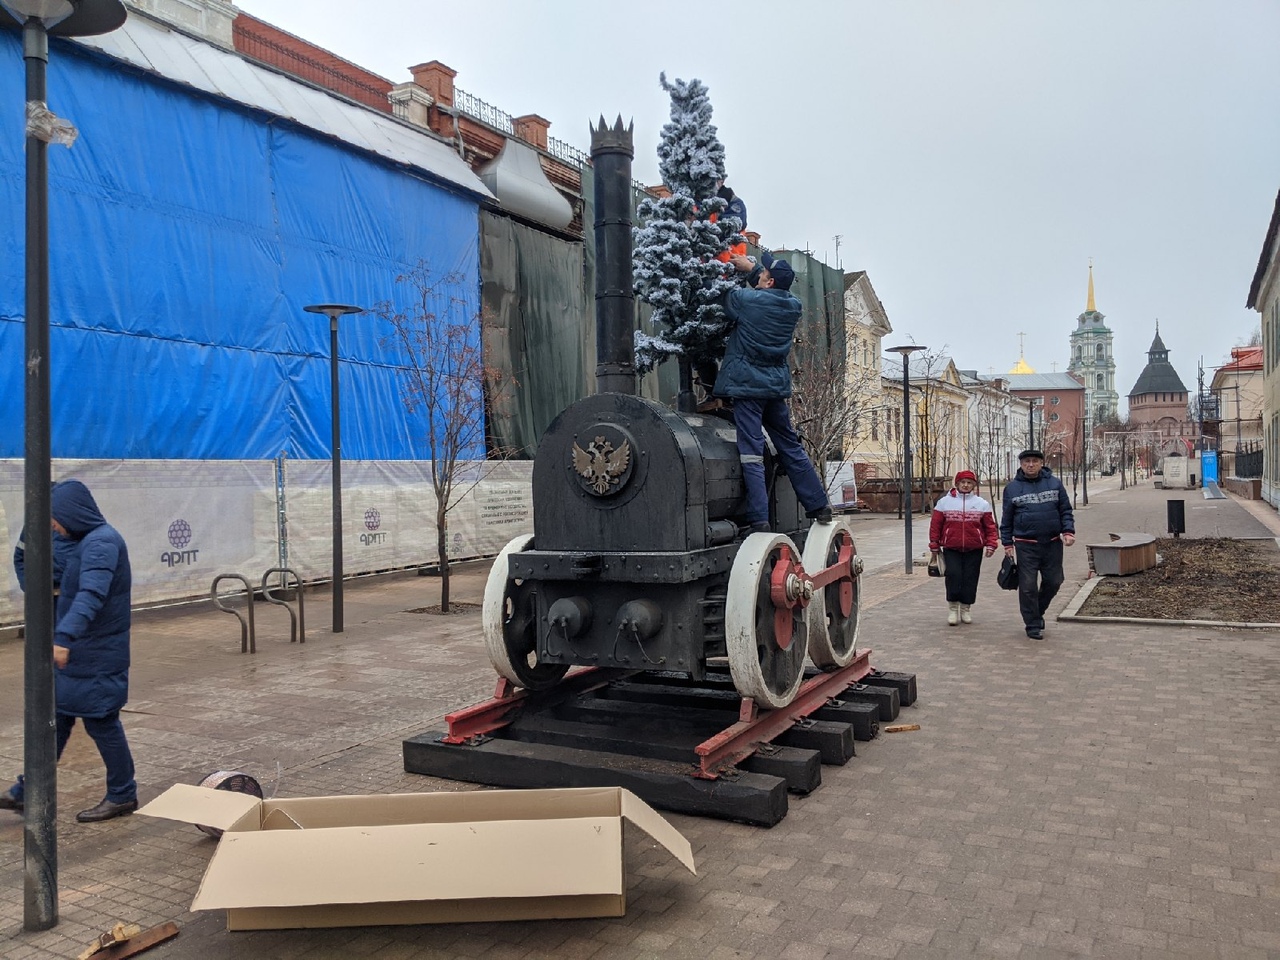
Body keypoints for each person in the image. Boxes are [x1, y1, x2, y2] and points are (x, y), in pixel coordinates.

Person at [0, 479, 137, 822]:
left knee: (103, 724)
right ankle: (27, 791)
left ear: (71, 513)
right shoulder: (90, 540)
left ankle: (123, 794)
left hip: (96, 654)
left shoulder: (101, 544)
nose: (52, 526)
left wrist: (63, 638)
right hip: (83, 653)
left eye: (54, 518)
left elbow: (91, 595)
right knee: (55, 723)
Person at [716, 250, 832, 533]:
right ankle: (819, 505)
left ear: (768, 283)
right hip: (774, 389)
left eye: (765, 273)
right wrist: (753, 268)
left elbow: (724, 295)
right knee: (790, 446)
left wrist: (735, 269)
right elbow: (767, 290)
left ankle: (759, 519)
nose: (762, 273)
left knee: (751, 452)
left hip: (747, 388)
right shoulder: (793, 305)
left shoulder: (746, 301)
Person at [1000, 449, 1075, 640]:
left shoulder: (1055, 484)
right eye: (1026, 461)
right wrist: (1007, 543)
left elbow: (1065, 510)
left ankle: (1037, 611)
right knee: (1027, 587)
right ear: (1021, 464)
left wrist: (1068, 531)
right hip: (1026, 545)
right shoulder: (1012, 488)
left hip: (1052, 543)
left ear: (1042, 463)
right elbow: (1007, 519)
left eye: (1034, 461)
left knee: (1054, 582)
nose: (1030, 464)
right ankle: (1032, 624)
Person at [928, 469, 998, 627]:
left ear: (973, 485)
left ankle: (966, 608)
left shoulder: (982, 504)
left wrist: (991, 543)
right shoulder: (945, 502)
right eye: (962, 482)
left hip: (974, 548)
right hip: (951, 547)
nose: (966, 485)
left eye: (969, 483)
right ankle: (953, 608)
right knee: (953, 575)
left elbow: (990, 526)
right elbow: (936, 525)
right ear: (957, 484)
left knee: (970, 578)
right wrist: (934, 543)